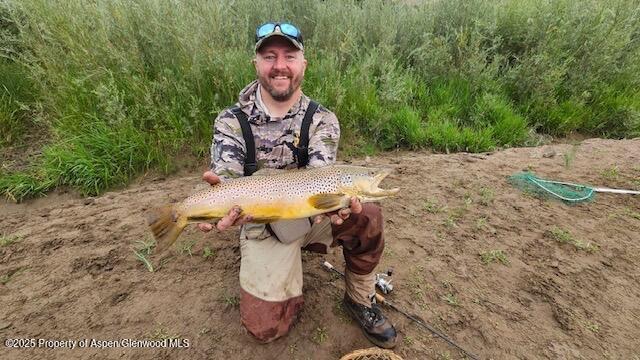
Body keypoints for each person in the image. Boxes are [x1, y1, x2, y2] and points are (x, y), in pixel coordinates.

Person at [198, 21, 397, 349]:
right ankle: (278, 275)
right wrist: (215, 199)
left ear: (303, 63)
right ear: (256, 63)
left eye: (289, 56)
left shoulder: (323, 119)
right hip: (259, 222)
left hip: (307, 216)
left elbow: (321, 176)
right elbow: (228, 181)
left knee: (367, 214)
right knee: (266, 329)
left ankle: (361, 299)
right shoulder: (230, 120)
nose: (280, 65)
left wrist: (337, 205)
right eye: (270, 56)